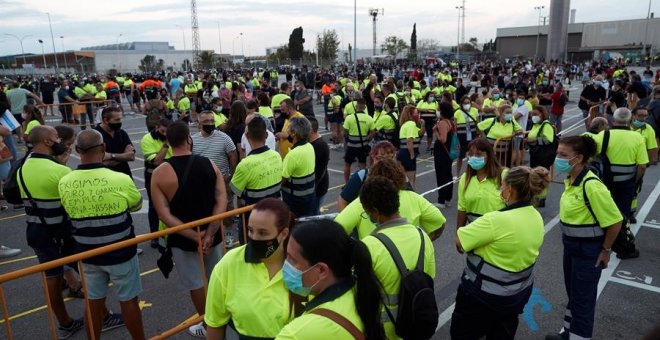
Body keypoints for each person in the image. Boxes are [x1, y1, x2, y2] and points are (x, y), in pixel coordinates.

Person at [59, 129, 145, 340]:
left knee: (94, 303)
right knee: (129, 301)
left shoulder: (65, 182)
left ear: (77, 151)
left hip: (87, 253)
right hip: (121, 250)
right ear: (104, 149)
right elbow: (136, 205)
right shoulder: (120, 178)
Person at [452, 166, 549, 340]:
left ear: (510, 189)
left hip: (483, 296)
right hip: (516, 294)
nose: (500, 190)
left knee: (463, 334)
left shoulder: (495, 220)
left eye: (501, 186)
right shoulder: (536, 216)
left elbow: (460, 241)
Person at [150, 121, 227, 337]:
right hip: (213, 235)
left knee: (196, 283)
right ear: (189, 139)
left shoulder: (160, 172)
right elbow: (222, 198)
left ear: (169, 142)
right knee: (217, 278)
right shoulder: (209, 164)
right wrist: (210, 232)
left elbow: (164, 214)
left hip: (183, 239)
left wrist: (195, 235)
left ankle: (208, 325)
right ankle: (223, 319)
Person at [546, 136, 623, 340]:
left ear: (579, 158)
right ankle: (568, 333)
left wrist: (605, 250)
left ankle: (580, 336)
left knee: (583, 299)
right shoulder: (571, 179)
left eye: (563, 155)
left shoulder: (591, 185)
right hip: (571, 246)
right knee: (574, 294)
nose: (558, 158)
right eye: (557, 153)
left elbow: (615, 221)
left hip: (589, 250)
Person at [17, 125, 84, 339]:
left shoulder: (23, 166)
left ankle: (65, 323)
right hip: (62, 233)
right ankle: (102, 316)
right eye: (56, 138)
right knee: (90, 273)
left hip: (36, 230)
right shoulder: (61, 171)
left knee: (52, 280)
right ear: (47, 142)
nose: (60, 141)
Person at [205, 198, 299, 339]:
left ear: (283, 234)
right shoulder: (229, 264)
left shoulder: (301, 266)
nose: (254, 238)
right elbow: (215, 323)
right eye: (250, 230)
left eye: (263, 233)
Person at [357, 174, 437, 339]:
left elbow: (361, 298)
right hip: (415, 326)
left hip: (384, 332)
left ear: (376, 212)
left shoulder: (368, 246)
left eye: (367, 213)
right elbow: (429, 279)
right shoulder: (423, 237)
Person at [275, 220, 385, 339]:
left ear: (321, 270)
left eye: (292, 260)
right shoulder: (359, 292)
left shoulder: (297, 333)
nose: (286, 265)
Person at [335, 158, 445, 241]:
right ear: (400, 176)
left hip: (372, 261)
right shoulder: (414, 198)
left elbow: (336, 230)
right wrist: (426, 242)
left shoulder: (363, 201)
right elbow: (439, 222)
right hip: (410, 263)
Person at [592, 108, 648, 259]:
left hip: (604, 183)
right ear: (630, 120)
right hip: (626, 184)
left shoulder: (603, 135)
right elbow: (642, 165)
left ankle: (600, 243)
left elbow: (591, 159)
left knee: (602, 212)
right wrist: (634, 181)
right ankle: (624, 248)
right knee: (622, 216)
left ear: (613, 120)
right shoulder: (637, 137)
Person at [230, 116, 283, 241]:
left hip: (253, 217)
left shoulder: (245, 164)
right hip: (274, 211)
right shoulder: (276, 156)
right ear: (266, 134)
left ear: (247, 136)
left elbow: (234, 190)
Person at [456, 138, 507, 229]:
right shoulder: (465, 178)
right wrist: (458, 234)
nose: (474, 157)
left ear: (489, 155)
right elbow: (462, 208)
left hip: (498, 231)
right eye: (471, 154)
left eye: (479, 154)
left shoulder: (503, 175)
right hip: (475, 232)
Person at [140, 119, 173, 246]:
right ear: (156, 127)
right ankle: (155, 235)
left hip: (171, 173)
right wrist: (167, 144)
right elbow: (156, 161)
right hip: (153, 175)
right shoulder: (147, 139)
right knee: (155, 206)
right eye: (162, 131)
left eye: (167, 132)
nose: (165, 134)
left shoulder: (171, 135)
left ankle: (172, 231)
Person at [281, 116, 316, 218]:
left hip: (294, 202)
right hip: (309, 198)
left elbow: (282, 179)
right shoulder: (309, 146)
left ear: (293, 133)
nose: (286, 131)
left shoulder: (293, 155)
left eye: (288, 128)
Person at [192, 110, 238, 184]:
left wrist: (230, 176)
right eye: (206, 121)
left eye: (212, 121)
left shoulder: (224, 138)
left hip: (222, 181)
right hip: (201, 183)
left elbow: (233, 156)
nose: (210, 123)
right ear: (200, 123)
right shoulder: (193, 140)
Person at [93, 106, 136, 178]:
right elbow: (100, 161)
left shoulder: (122, 133)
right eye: (117, 120)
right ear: (106, 120)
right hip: (105, 178)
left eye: (120, 119)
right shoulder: (95, 135)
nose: (120, 122)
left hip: (124, 176)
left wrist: (111, 156)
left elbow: (131, 156)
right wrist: (123, 156)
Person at [342, 98, 375, 183]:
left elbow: (344, 132)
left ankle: (347, 183)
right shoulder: (369, 118)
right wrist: (367, 140)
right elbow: (373, 133)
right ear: (364, 108)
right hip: (362, 146)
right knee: (362, 165)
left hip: (351, 146)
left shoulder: (349, 118)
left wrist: (349, 138)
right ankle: (362, 183)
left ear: (356, 107)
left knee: (347, 164)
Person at [433, 102, 456, 208]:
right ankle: (448, 198)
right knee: (448, 174)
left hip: (442, 152)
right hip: (448, 152)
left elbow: (443, 139)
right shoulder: (450, 121)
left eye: (438, 109)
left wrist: (435, 132)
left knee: (441, 175)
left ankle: (441, 200)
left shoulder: (442, 123)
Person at [397, 105, 425, 188]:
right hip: (407, 154)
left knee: (404, 179)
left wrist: (422, 125)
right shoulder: (411, 124)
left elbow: (420, 133)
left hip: (402, 152)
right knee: (411, 180)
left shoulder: (406, 124)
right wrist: (412, 155)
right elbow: (409, 140)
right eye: (416, 113)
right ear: (411, 114)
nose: (418, 115)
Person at [454, 95, 479, 176]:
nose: (467, 104)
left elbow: (477, 124)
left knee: (472, 156)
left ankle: (471, 172)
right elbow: (454, 127)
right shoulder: (457, 112)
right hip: (461, 138)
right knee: (460, 157)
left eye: (468, 103)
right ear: (461, 104)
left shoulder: (475, 111)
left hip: (472, 137)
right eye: (465, 103)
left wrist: (479, 135)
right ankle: (457, 173)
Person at [309, 118, 330, 215]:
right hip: (317, 186)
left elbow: (316, 169)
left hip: (317, 188)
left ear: (311, 130)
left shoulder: (319, 145)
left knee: (314, 214)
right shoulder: (314, 143)